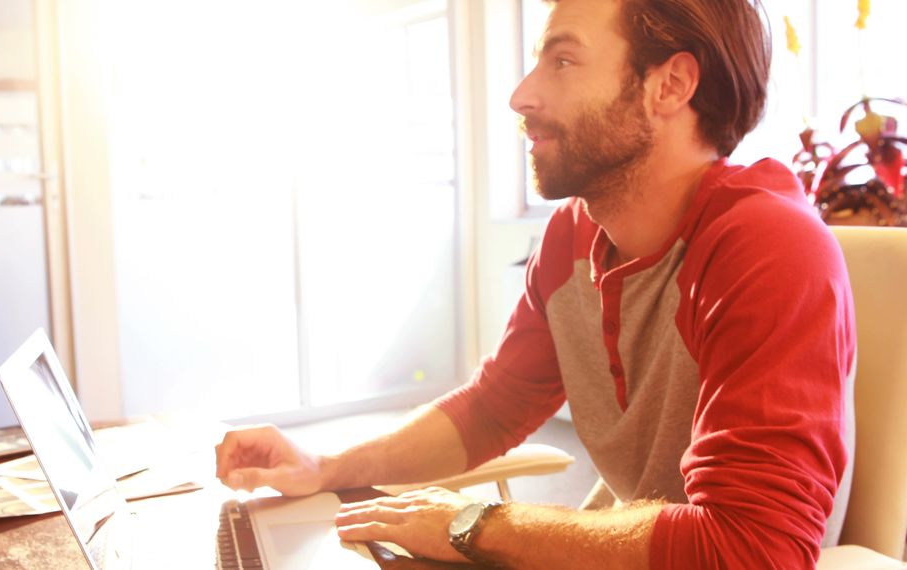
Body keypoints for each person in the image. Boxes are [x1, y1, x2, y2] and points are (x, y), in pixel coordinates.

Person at [215, 0, 856, 567]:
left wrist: (473, 524)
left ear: (671, 85)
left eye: (563, 62)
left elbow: (752, 549)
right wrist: (324, 468)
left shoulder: (769, 248)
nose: (521, 94)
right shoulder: (571, 235)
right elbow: (494, 406)